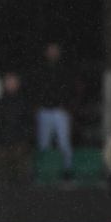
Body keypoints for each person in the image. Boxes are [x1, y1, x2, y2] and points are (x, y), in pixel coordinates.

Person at [29, 42, 73, 178]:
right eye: (50, 50)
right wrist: (36, 106)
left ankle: (67, 170)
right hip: (44, 111)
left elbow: (70, 89)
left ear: (59, 53)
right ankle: (43, 170)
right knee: (43, 143)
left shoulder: (65, 69)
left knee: (64, 142)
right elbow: (34, 89)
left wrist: (67, 106)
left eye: (55, 50)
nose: (53, 53)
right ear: (46, 53)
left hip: (60, 111)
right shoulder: (40, 69)